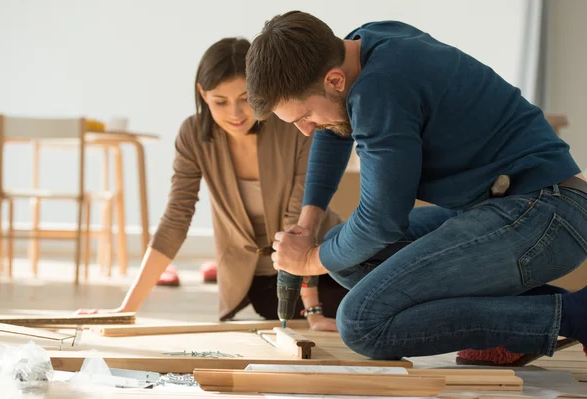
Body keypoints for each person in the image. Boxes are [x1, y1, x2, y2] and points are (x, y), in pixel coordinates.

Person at [244, 11, 587, 361]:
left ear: (334, 81)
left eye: (304, 116)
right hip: (505, 207)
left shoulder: (380, 88)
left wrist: (309, 261)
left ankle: (576, 315)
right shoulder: (361, 46)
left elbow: (381, 221)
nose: (305, 129)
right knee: (344, 256)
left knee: (363, 323)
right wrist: (308, 226)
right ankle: (514, 327)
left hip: (546, 214)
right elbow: (333, 134)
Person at [78, 37, 348, 331]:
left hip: (324, 259)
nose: (234, 113)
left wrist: (314, 312)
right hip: (262, 280)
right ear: (202, 95)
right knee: (284, 310)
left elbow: (296, 225)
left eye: (245, 98)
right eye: (220, 101)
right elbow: (175, 221)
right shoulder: (193, 135)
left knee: (358, 308)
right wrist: (125, 310)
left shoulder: (292, 125)